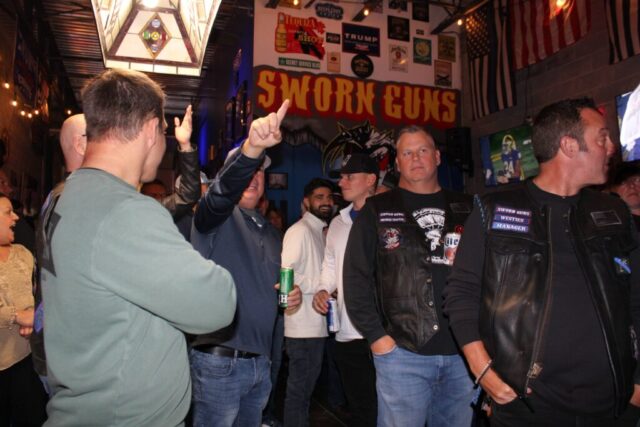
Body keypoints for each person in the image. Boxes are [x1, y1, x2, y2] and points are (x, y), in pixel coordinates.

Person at [41, 68, 237, 426]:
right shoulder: (125, 210)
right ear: (150, 129)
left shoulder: (66, 196)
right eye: (163, 133)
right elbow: (218, 304)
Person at [444, 98, 640, 426]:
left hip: (613, 403)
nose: (611, 147)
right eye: (602, 137)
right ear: (569, 145)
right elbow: (461, 294)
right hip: (527, 405)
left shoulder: (614, 212)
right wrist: (484, 372)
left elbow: (637, 298)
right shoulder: (492, 211)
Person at [343, 126, 475, 427]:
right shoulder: (376, 210)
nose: (416, 158)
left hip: (464, 353)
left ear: (437, 157)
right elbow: (355, 278)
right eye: (407, 152)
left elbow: (488, 274)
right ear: (397, 163)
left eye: (423, 150)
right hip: (402, 354)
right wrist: (377, 337)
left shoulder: (468, 207)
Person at [190, 99, 302, 427]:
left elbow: (270, 294)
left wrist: (290, 297)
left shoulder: (272, 233)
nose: (253, 177)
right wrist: (251, 149)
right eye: (246, 170)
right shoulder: (214, 217)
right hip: (219, 361)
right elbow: (222, 193)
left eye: (259, 171)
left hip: (259, 364)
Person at [312, 153, 380, 427]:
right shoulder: (338, 222)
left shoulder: (389, 216)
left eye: (350, 176)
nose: (341, 183)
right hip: (347, 330)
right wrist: (322, 289)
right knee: (360, 407)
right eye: (341, 177)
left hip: (384, 331)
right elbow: (330, 264)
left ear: (371, 180)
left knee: (391, 407)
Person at [282, 177, 334, 427]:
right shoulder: (300, 231)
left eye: (329, 197)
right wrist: (323, 287)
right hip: (301, 329)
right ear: (306, 201)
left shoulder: (320, 232)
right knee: (299, 394)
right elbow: (286, 273)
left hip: (315, 326)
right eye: (319, 197)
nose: (326, 202)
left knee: (304, 394)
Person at [0, 193, 47, 426]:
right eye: (8, 212)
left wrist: (34, 316)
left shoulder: (23, 253)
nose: (16, 217)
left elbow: (39, 293)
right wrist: (19, 316)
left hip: (26, 361)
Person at [608, 161, 640, 228]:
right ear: (612, 189)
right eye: (623, 183)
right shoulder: (613, 226)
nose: (631, 186)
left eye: (636, 180)